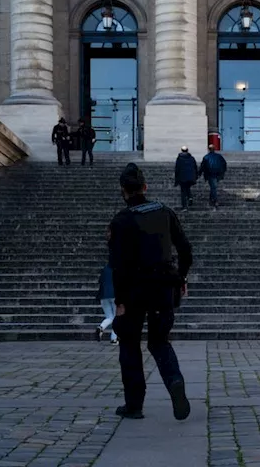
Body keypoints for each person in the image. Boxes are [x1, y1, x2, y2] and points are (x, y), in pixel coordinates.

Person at [108, 163, 193, 421]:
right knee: (159, 341)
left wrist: (119, 301)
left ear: (123, 191)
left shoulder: (121, 221)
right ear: (145, 187)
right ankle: (174, 381)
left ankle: (134, 404)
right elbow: (186, 250)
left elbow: (117, 266)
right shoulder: (165, 212)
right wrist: (181, 277)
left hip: (134, 290)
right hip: (163, 286)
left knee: (129, 344)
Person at [97, 236, 118, 345]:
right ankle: (114, 338)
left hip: (103, 296)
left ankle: (101, 326)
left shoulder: (105, 269)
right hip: (114, 295)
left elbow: (100, 281)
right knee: (116, 317)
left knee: (109, 316)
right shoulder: (117, 270)